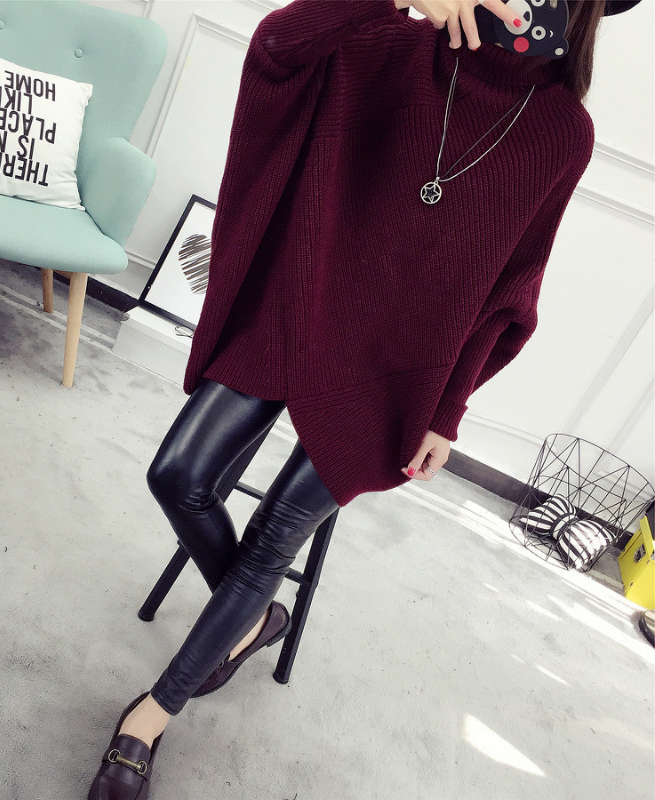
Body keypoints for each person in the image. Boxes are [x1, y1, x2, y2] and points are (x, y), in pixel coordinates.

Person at [87, 1, 641, 798]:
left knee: (274, 537)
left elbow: (511, 286)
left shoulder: (562, 131)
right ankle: (254, 619)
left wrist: (447, 413)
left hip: (398, 371)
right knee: (178, 475)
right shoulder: (391, 39)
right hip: (297, 309)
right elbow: (276, 49)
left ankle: (149, 717)